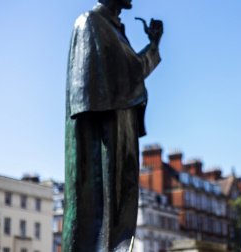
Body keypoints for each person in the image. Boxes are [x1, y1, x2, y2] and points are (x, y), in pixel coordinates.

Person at [62, 0, 163, 251]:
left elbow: (133, 70)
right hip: (103, 132)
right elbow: (84, 94)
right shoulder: (90, 22)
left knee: (121, 207)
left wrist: (154, 45)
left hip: (121, 126)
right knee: (101, 212)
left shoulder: (114, 29)